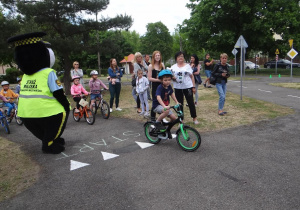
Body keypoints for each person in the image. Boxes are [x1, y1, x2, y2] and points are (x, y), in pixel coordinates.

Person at [171, 51, 199, 124]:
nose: (181, 58)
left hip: (187, 87)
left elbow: (192, 76)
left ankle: (194, 118)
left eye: (182, 56)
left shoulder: (187, 66)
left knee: (190, 103)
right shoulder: (173, 67)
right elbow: (170, 76)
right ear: (176, 58)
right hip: (178, 87)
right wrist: (173, 78)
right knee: (179, 104)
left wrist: (193, 87)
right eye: (179, 56)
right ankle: (181, 119)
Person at [147, 50, 165, 121]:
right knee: (155, 103)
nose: (158, 57)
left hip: (162, 86)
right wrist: (158, 80)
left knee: (162, 102)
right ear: (154, 57)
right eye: (156, 55)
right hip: (155, 86)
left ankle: (162, 118)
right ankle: (153, 119)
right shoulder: (151, 66)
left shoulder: (162, 65)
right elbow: (149, 78)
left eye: (159, 55)